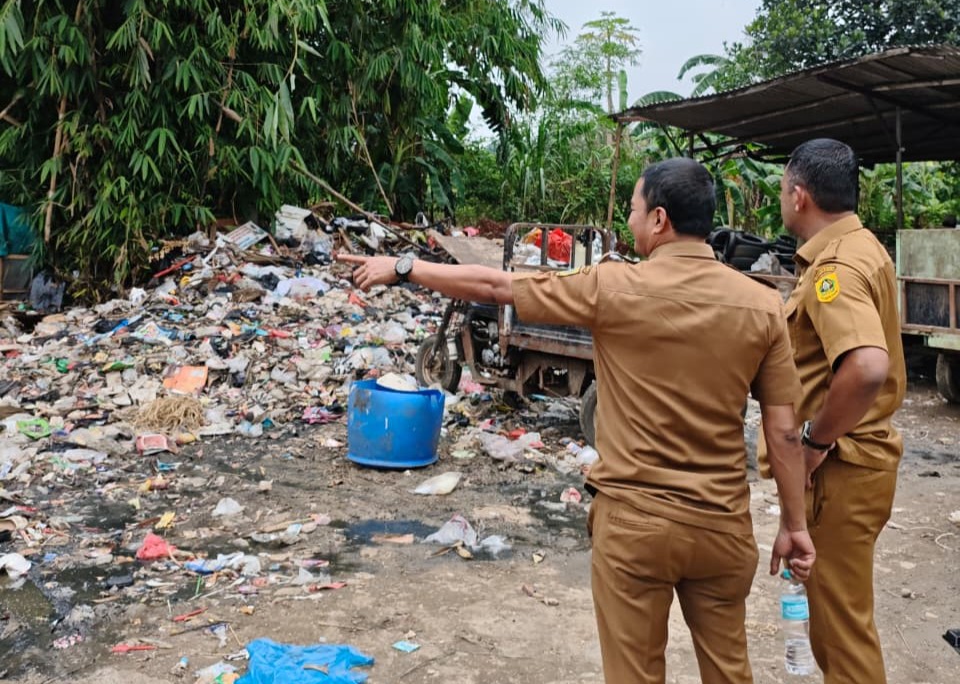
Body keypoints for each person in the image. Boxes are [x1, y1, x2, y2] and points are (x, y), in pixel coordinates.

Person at [338, 157, 815, 684]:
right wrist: (795, 526)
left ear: (659, 219)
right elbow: (784, 431)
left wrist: (405, 267)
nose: (629, 221)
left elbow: (497, 287)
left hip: (634, 525)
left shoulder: (612, 285)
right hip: (721, 527)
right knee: (729, 673)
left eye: (633, 210)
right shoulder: (762, 304)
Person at [765, 138, 907, 683]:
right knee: (835, 629)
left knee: (842, 638)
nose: (783, 200)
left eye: (783, 190)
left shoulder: (836, 268)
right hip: (856, 466)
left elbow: (866, 366)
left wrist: (814, 442)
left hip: (841, 470)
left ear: (800, 196)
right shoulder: (863, 247)